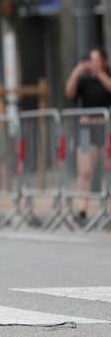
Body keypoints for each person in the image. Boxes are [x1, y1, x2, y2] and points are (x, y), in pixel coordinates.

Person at [64, 47, 111, 222]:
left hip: (106, 129)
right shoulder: (83, 80)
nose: (92, 63)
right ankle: (82, 208)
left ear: (104, 62)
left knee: (107, 169)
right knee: (85, 169)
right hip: (86, 129)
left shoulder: (106, 76)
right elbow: (69, 92)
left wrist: (100, 73)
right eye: (90, 60)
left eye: (96, 59)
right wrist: (76, 71)